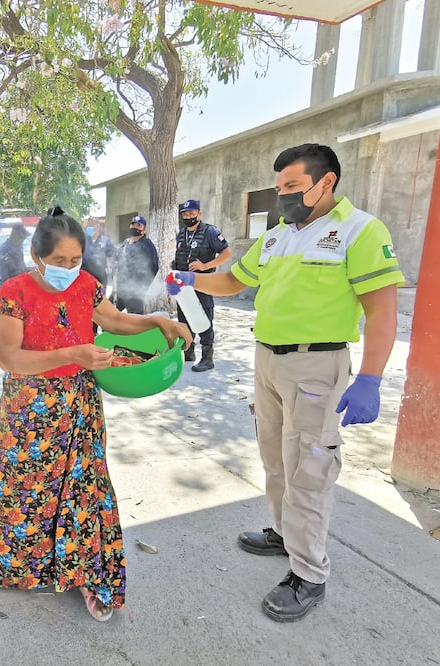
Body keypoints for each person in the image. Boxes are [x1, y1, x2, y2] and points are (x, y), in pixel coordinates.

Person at [166, 143, 404, 623]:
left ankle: (309, 574)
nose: (283, 196)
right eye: (279, 188)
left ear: (326, 182)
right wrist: (190, 281)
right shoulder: (276, 236)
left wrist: (370, 378)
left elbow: (382, 311)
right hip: (267, 360)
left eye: (293, 186)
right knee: (275, 458)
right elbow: (234, 281)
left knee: (309, 471)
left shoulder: (359, 230)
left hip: (317, 365)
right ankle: (283, 533)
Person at [0, 206, 192, 622]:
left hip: (80, 402)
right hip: (30, 410)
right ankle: (19, 567)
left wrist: (156, 321)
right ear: (36, 256)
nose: (69, 268)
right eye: (59, 260)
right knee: (26, 492)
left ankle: (88, 574)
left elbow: (115, 321)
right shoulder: (14, 293)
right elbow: (9, 358)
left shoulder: (86, 285)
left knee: (85, 489)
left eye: (75, 260)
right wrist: (73, 354)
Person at [173, 199, 232, 371]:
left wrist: (205, 266)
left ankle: (207, 358)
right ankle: (188, 352)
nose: (188, 217)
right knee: (184, 318)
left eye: (191, 213)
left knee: (204, 318)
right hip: (183, 285)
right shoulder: (181, 233)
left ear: (199, 213)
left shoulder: (210, 231)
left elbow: (227, 253)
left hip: (203, 283)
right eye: (185, 214)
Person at [114, 215, 159, 314]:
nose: (135, 227)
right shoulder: (125, 243)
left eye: (139, 226)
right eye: (133, 225)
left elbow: (154, 267)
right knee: (112, 315)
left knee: (135, 318)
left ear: (144, 230)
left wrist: (142, 286)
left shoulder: (147, 245)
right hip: (121, 289)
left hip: (135, 292)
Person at [81, 217, 116, 288]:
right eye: (88, 226)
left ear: (97, 227)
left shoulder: (105, 241)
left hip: (100, 279)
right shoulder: (82, 241)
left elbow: (112, 257)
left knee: (100, 295)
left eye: (91, 225)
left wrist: (111, 271)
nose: (88, 228)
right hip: (84, 278)